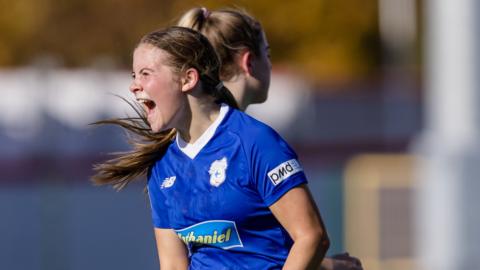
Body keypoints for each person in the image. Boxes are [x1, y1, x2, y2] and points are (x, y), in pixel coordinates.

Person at [93, 26, 330, 269]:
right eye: (134, 75)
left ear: (188, 79)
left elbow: (311, 237)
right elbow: (173, 264)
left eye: (145, 73)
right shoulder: (162, 165)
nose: (134, 85)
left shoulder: (255, 142)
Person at [176, 7, 363, 270]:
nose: (271, 63)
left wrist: (324, 266)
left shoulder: (179, 147)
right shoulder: (255, 142)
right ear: (249, 61)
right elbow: (312, 238)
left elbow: (242, 253)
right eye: (268, 53)